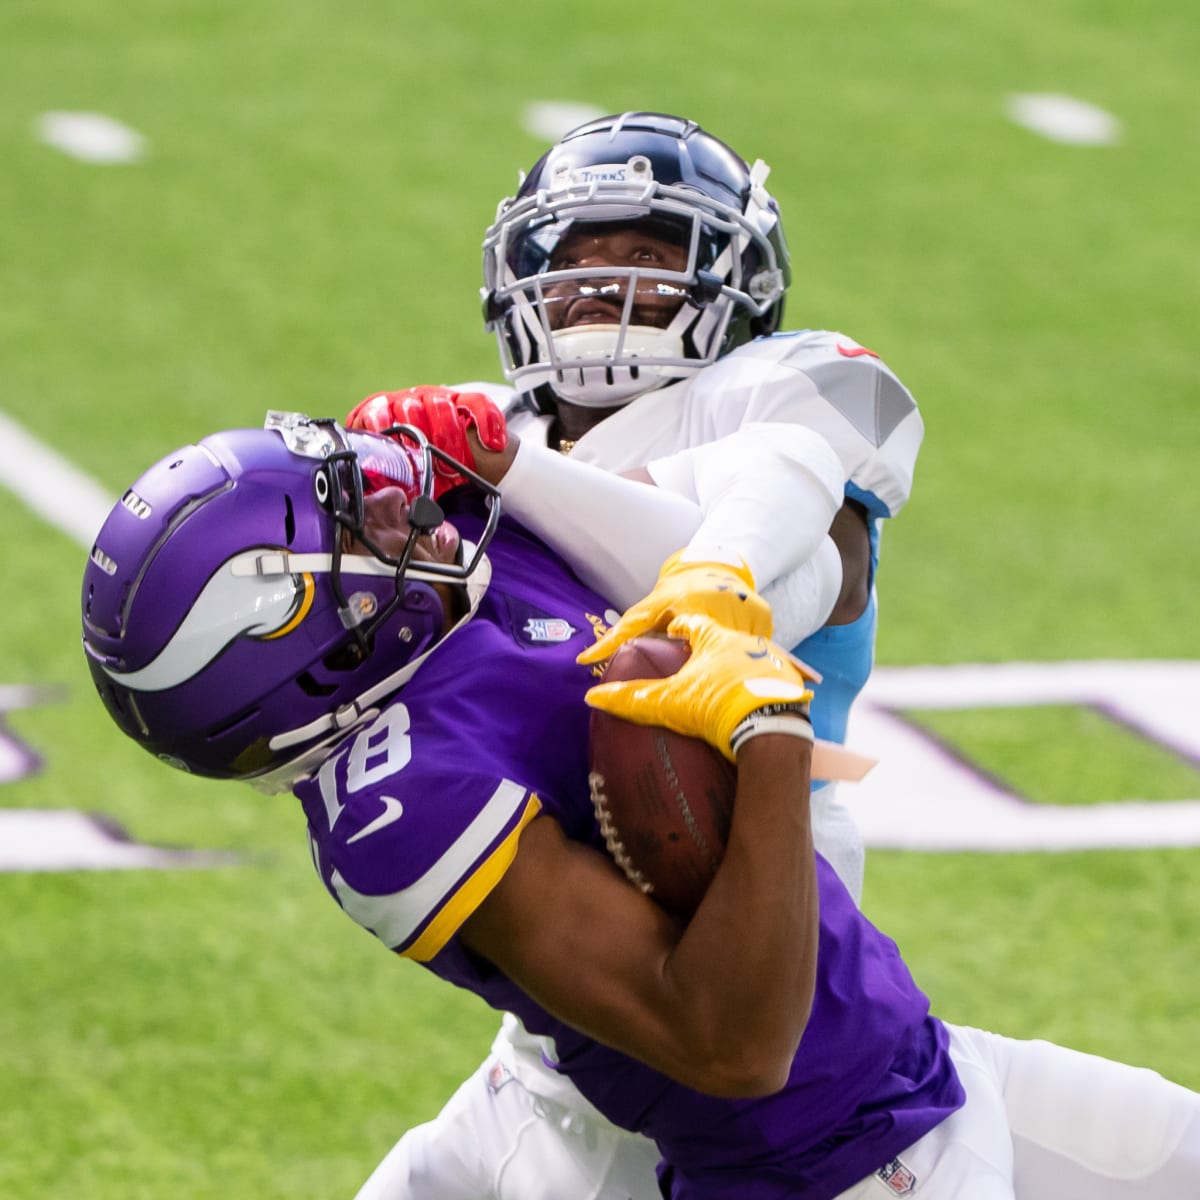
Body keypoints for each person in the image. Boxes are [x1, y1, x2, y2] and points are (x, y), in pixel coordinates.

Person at [82, 414, 1200, 1199]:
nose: (401, 497)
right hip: (830, 1165)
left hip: (925, 1070)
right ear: (300, 630)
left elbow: (798, 481)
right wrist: (767, 737)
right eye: (354, 524)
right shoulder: (404, 806)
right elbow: (735, 1048)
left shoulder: (460, 574)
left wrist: (708, 575)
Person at [345, 110, 922, 1197]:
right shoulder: (494, 426)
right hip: (553, 1027)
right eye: (578, 257)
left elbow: (720, 585)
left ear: (732, 281)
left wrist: (497, 471)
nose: (605, 286)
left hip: (734, 921)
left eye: (650, 256)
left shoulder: (780, 399)